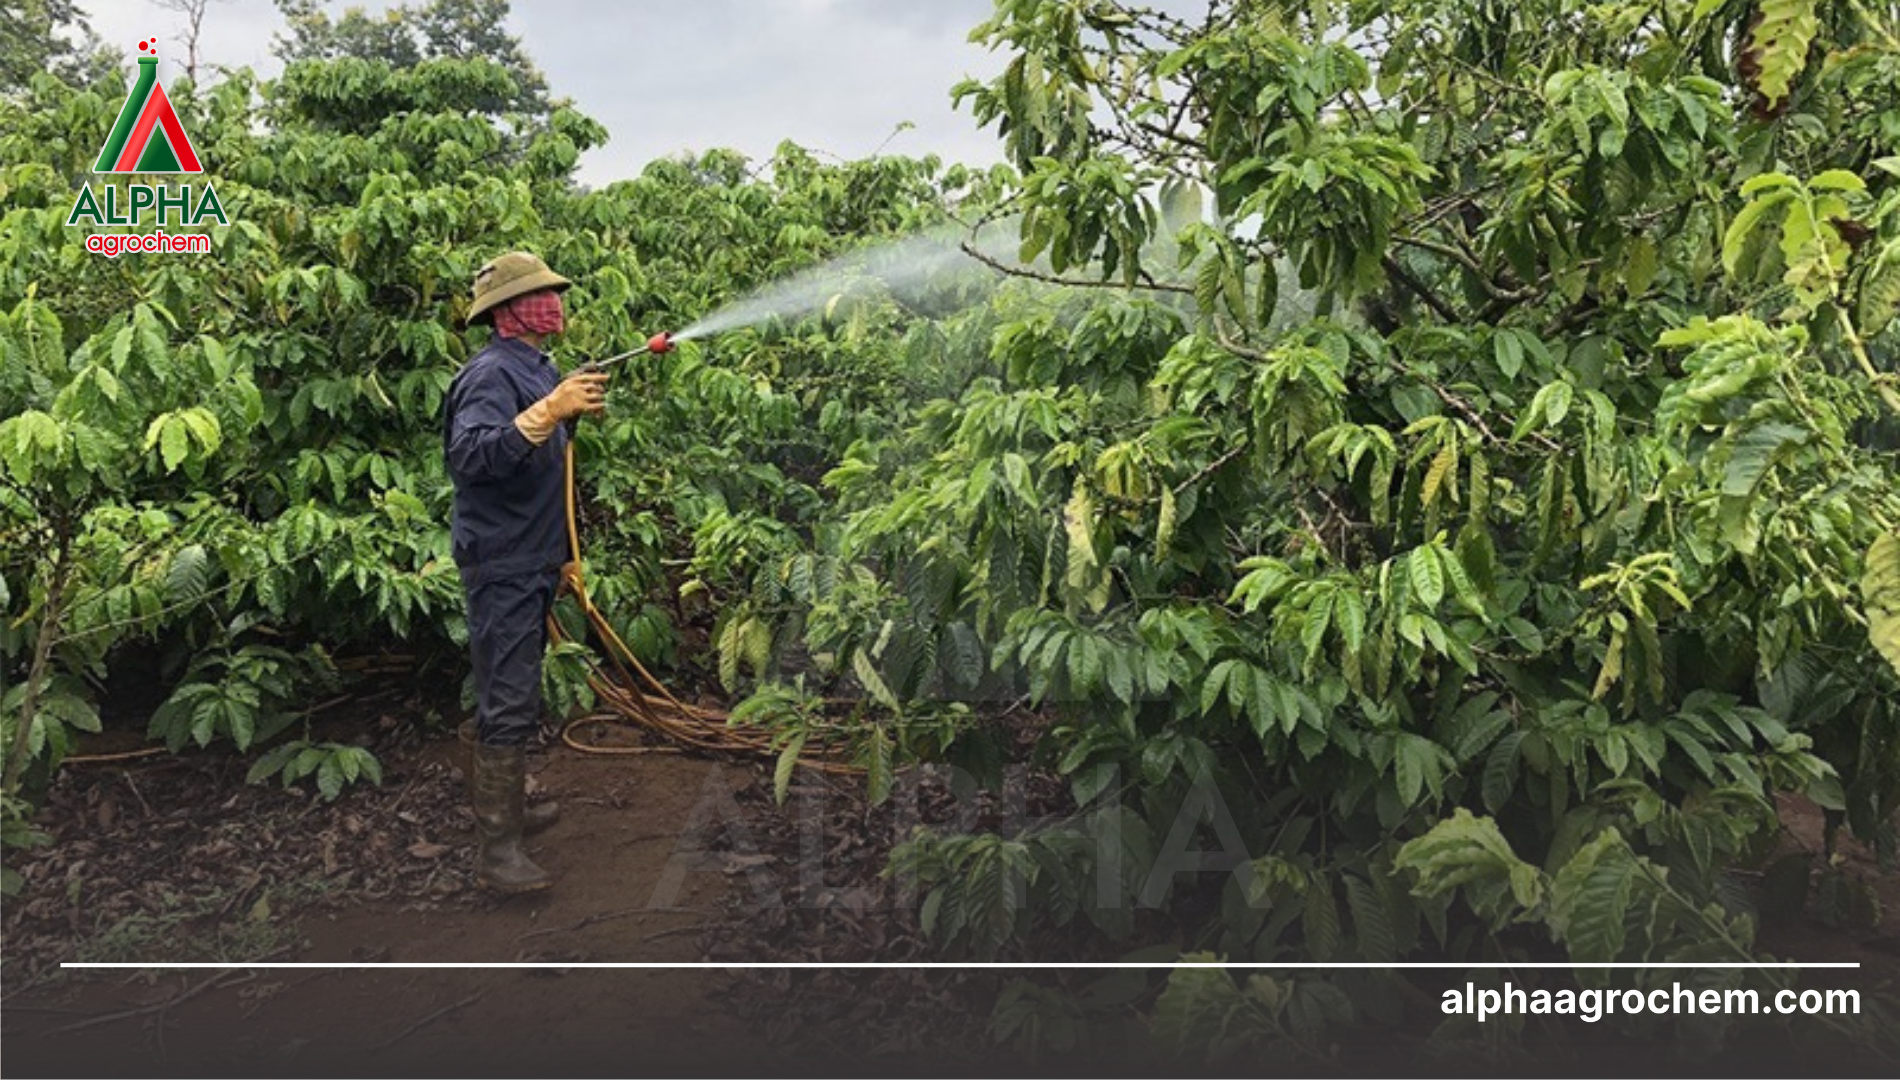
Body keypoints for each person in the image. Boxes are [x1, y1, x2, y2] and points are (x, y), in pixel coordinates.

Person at [444, 251, 607, 894]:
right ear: (507, 312)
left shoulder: (537, 367)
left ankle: (504, 809)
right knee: (508, 696)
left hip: (532, 554)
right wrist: (548, 411)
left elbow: (545, 470)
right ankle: (498, 850)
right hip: (503, 559)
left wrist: (562, 555)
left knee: (512, 686)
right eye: (542, 294)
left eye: (556, 292)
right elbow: (471, 456)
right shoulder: (489, 373)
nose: (555, 303)